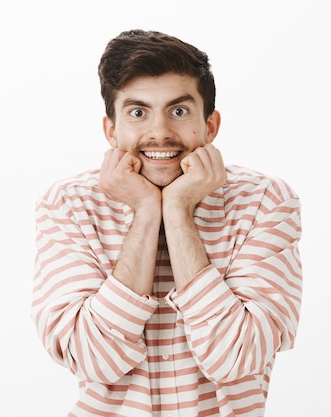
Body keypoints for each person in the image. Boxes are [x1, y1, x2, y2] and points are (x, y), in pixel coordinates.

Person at [31, 29, 302, 417]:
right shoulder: (70, 205)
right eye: (138, 112)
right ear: (112, 130)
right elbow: (96, 360)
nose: (159, 132)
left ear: (210, 125)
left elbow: (236, 359)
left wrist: (177, 211)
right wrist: (146, 212)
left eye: (179, 111)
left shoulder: (264, 202)